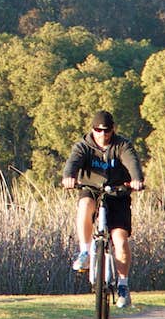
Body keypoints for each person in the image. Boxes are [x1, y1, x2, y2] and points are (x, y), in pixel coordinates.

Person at [61, 110, 146, 308]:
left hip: (118, 195)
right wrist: (68, 177)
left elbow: (131, 161)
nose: (102, 134)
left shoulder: (121, 145)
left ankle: (123, 285)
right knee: (85, 205)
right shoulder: (83, 146)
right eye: (98, 130)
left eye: (106, 131)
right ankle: (85, 252)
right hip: (92, 190)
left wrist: (136, 179)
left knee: (120, 241)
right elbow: (73, 162)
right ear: (92, 129)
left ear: (112, 129)